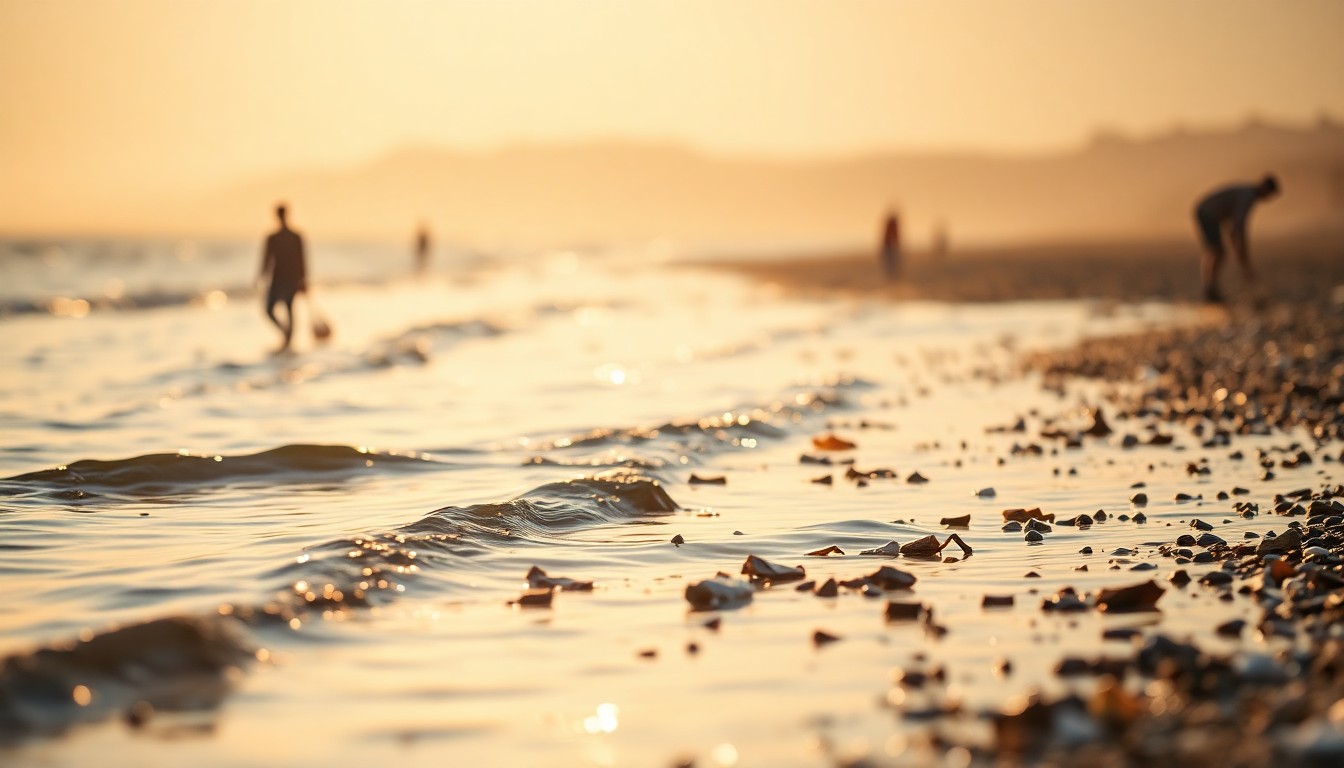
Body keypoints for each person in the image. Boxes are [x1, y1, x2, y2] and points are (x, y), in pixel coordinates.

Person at [1193, 175, 1279, 303]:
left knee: (1218, 251)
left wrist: (1240, 251)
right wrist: (1243, 254)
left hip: (1211, 215)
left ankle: (1211, 288)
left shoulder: (1247, 194)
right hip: (1207, 214)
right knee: (1217, 251)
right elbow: (1239, 227)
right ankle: (1210, 288)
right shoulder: (1247, 196)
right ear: (1265, 188)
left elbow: (1233, 230)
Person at [258, 203, 307, 351]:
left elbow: (301, 259)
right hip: (279, 277)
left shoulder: (295, 236)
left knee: (289, 308)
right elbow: (266, 258)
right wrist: (262, 275)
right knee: (270, 309)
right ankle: (286, 334)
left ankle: (288, 342)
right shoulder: (273, 237)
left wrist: (303, 279)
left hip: (289, 278)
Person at [879, 210, 901, 280]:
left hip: (890, 248)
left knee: (892, 264)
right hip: (889, 248)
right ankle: (892, 276)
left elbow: (896, 238)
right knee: (891, 264)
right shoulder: (891, 225)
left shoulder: (892, 226)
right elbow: (894, 238)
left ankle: (893, 276)